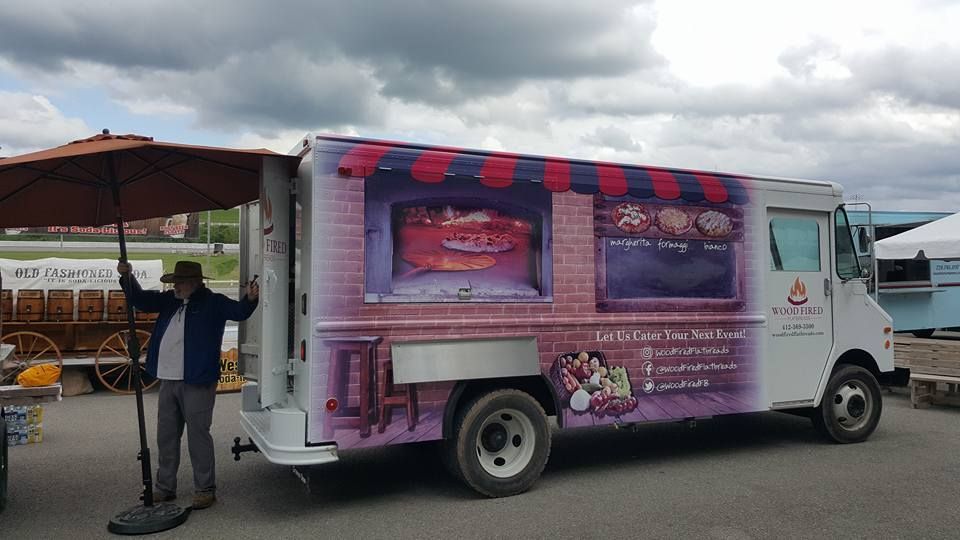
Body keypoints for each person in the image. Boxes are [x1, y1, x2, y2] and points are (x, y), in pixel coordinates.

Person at [117, 260, 259, 510]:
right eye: (174, 283)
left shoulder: (213, 302)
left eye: (179, 283)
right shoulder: (170, 300)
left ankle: (205, 488)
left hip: (198, 380)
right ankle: (164, 487)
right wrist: (128, 278)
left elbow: (239, 312)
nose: (175, 287)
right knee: (166, 435)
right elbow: (141, 300)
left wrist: (249, 298)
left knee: (198, 435)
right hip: (168, 378)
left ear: (195, 283)